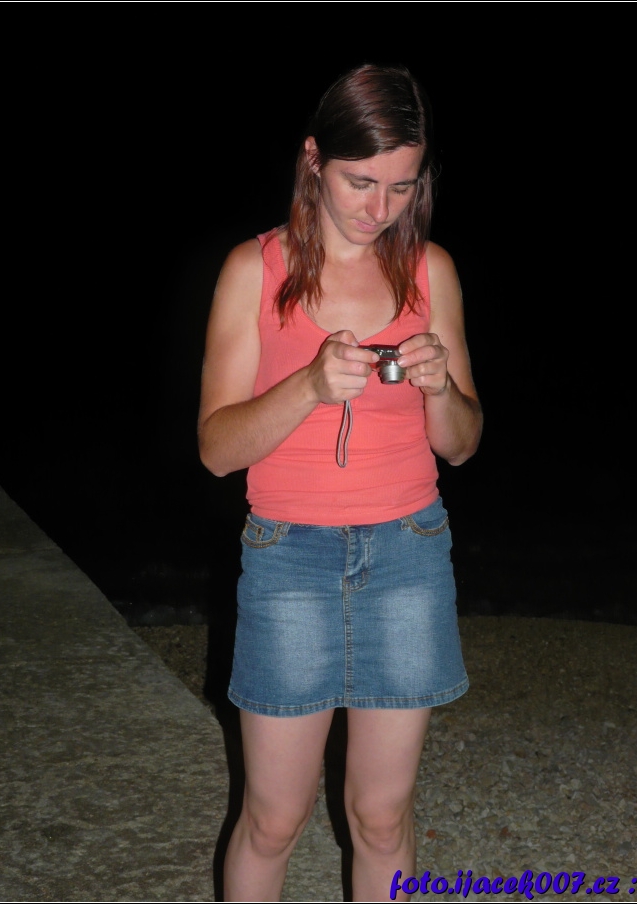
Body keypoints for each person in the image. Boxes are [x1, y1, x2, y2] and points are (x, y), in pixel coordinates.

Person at [198, 62, 483, 903]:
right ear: (314, 159)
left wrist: (441, 389)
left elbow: (462, 445)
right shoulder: (252, 271)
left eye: (402, 186)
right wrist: (309, 387)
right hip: (288, 558)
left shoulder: (430, 271)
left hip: (408, 555)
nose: (378, 207)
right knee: (271, 821)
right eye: (361, 181)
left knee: (382, 818)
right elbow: (216, 449)